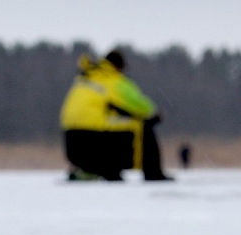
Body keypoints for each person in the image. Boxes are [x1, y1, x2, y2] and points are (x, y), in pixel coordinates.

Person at [60, 49, 172, 182]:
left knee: (114, 127)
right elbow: (141, 106)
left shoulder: (86, 79)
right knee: (142, 127)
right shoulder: (113, 80)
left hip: (72, 144)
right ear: (119, 66)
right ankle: (153, 173)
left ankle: (102, 171)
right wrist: (155, 115)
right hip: (94, 137)